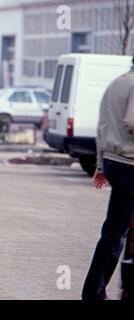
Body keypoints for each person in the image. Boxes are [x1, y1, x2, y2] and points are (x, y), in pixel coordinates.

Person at [82, 57, 134, 300]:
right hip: (130, 164)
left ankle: (94, 292)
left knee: (114, 231)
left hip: (114, 162)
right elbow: (132, 122)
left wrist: (101, 165)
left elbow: (101, 127)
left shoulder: (115, 84)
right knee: (120, 232)